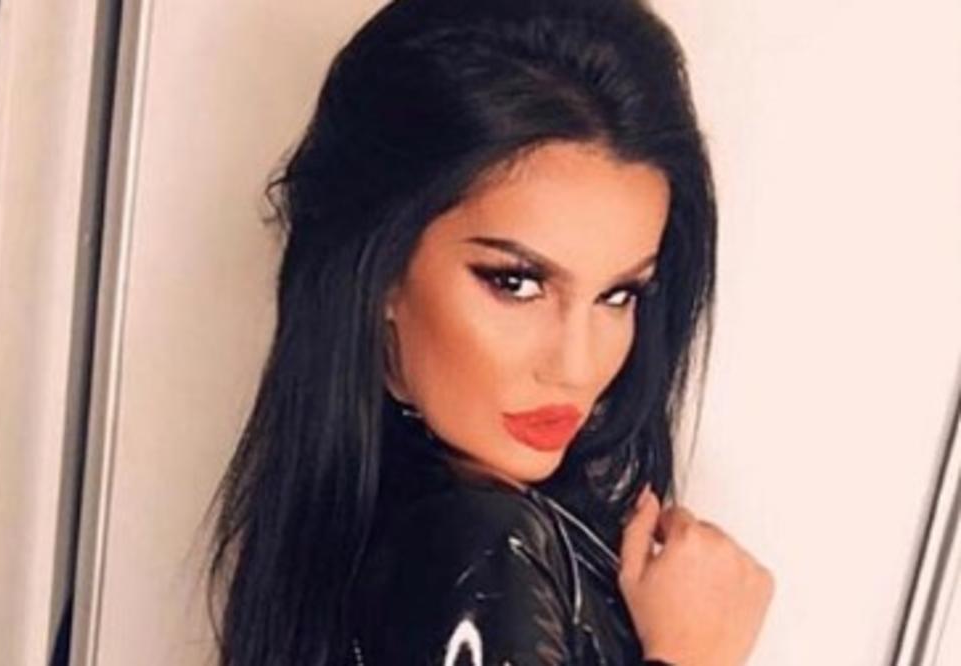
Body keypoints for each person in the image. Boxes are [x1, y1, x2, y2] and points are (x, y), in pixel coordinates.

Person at [207, 0, 774, 664]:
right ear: (381, 274)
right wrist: (694, 654)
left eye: (618, 295)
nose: (576, 366)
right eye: (516, 282)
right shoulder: (479, 545)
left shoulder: (391, 532)